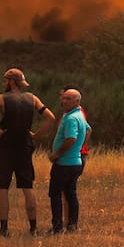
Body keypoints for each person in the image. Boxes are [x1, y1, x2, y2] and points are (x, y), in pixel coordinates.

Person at [0, 68, 54, 236]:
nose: (4, 83)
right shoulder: (33, 98)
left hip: (6, 146)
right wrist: (36, 135)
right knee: (27, 187)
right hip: (25, 146)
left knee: (3, 187)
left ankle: (4, 229)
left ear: (12, 82)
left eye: (5, 80)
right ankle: (33, 228)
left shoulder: (2, 99)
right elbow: (50, 117)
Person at [47, 88, 89, 234]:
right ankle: (72, 225)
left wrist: (57, 154)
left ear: (77, 101)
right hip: (75, 162)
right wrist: (80, 147)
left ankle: (57, 227)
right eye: (63, 98)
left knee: (55, 194)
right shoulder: (79, 116)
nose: (63, 101)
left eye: (68, 99)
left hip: (64, 163)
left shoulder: (71, 118)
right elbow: (88, 130)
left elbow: (71, 138)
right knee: (71, 193)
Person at [58, 85, 89, 226]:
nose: (62, 100)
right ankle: (68, 222)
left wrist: (79, 147)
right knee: (67, 191)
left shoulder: (76, 113)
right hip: (74, 155)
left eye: (65, 97)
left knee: (69, 192)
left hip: (73, 157)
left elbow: (88, 131)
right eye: (62, 97)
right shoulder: (69, 113)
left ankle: (69, 222)